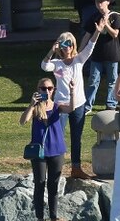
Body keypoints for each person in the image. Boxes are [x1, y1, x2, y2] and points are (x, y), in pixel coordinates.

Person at [43, 24, 103, 179]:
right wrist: (52, 50)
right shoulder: (56, 63)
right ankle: (56, 168)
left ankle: (76, 168)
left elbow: (91, 46)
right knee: (58, 136)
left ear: (73, 45)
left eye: (69, 43)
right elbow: (44, 66)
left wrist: (97, 30)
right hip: (61, 106)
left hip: (78, 104)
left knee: (77, 137)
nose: (67, 47)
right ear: (60, 46)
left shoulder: (78, 60)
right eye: (64, 44)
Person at [20, 78, 70, 221]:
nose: (46, 91)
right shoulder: (36, 108)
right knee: (40, 184)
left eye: (49, 88)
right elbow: (23, 121)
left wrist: (73, 92)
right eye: (43, 88)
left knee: (54, 185)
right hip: (39, 152)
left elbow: (71, 108)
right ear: (38, 89)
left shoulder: (57, 106)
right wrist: (31, 104)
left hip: (56, 150)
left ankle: (54, 219)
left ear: (53, 89)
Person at [82, 0, 120, 113]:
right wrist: (79, 51)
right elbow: (86, 36)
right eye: (97, 2)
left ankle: (111, 104)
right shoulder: (94, 17)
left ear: (108, 2)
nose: (99, 4)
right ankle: (88, 106)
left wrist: (106, 25)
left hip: (112, 54)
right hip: (97, 54)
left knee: (112, 80)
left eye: (102, 2)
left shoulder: (114, 16)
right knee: (93, 80)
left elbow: (115, 34)